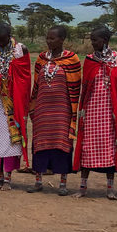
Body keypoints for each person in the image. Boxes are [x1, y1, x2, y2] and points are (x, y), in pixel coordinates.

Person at [72, 26, 117, 199]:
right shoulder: (89, 60)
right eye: (91, 40)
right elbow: (86, 87)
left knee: (110, 146)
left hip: (111, 111)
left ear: (105, 40)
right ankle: (82, 187)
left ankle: (110, 189)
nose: (92, 43)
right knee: (87, 146)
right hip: (91, 110)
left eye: (95, 40)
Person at [28, 26, 80, 196]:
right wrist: (33, 107)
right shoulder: (41, 59)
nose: (49, 42)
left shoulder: (72, 60)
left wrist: (72, 112)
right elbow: (36, 86)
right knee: (40, 146)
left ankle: (63, 184)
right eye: (47, 38)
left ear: (62, 39)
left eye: (52, 39)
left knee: (62, 145)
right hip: (43, 111)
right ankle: (38, 181)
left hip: (62, 111)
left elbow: (75, 88)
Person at [0, 23, 31, 191]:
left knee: (13, 140)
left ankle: (8, 179)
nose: (0, 44)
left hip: (14, 101)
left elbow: (25, 78)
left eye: (3, 40)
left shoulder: (21, 50)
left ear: (10, 36)